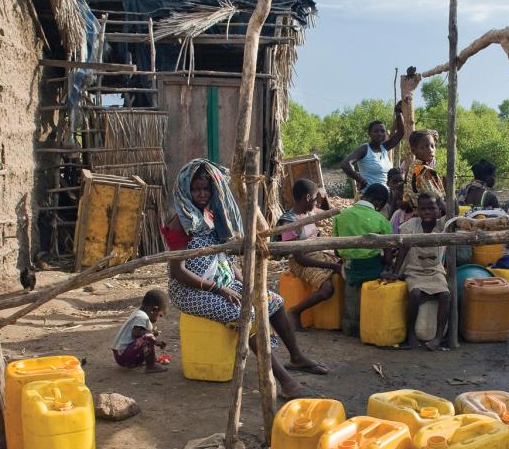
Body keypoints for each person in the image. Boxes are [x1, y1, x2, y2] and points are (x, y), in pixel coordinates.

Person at [164, 159, 327, 397]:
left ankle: (297, 357)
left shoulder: (211, 215)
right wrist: (219, 289)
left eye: (206, 189)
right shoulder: (180, 221)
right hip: (190, 291)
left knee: (272, 300)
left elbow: (224, 261)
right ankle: (285, 381)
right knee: (244, 312)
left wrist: (244, 284)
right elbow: (177, 271)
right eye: (196, 188)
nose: (201, 193)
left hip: (220, 283)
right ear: (186, 190)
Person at [386, 193, 451, 350]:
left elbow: (453, 212)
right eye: (423, 209)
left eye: (431, 208)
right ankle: (411, 334)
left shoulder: (442, 225)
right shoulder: (411, 226)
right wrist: (396, 273)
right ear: (417, 211)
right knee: (414, 294)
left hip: (435, 271)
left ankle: (438, 337)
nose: (427, 212)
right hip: (415, 271)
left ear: (439, 210)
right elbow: (402, 250)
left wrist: (442, 200)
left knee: (445, 295)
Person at [276, 179, 342, 330]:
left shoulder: (309, 214)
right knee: (327, 289)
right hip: (301, 262)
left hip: (317, 255)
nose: (317, 203)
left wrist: (322, 196)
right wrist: (331, 265)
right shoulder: (289, 223)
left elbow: (327, 211)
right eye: (315, 199)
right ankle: (294, 312)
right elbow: (300, 258)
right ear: (307, 198)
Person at [333, 183, 394, 336]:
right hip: (372, 269)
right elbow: (388, 252)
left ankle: (350, 327)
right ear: (379, 203)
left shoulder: (340, 217)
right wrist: (388, 265)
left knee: (351, 291)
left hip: (350, 270)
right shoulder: (381, 220)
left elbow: (336, 250)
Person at [340, 112, 404, 190]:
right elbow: (345, 164)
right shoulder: (365, 149)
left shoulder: (384, 148)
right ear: (369, 134)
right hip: (370, 197)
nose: (380, 134)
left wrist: (398, 113)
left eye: (382, 131)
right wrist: (360, 179)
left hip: (386, 196)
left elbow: (401, 132)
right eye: (376, 131)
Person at [112, 289, 168, 373]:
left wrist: (152, 334)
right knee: (147, 337)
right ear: (154, 310)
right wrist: (155, 341)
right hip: (122, 355)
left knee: (148, 336)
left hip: (122, 354)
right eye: (159, 315)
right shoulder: (141, 317)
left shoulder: (140, 312)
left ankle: (145, 361)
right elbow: (136, 334)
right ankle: (151, 366)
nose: (158, 319)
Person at [404, 128, 445, 214]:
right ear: (414, 151)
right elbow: (437, 200)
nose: (430, 150)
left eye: (432, 146)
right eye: (424, 147)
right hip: (429, 215)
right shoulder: (425, 171)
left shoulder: (412, 167)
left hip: (415, 212)